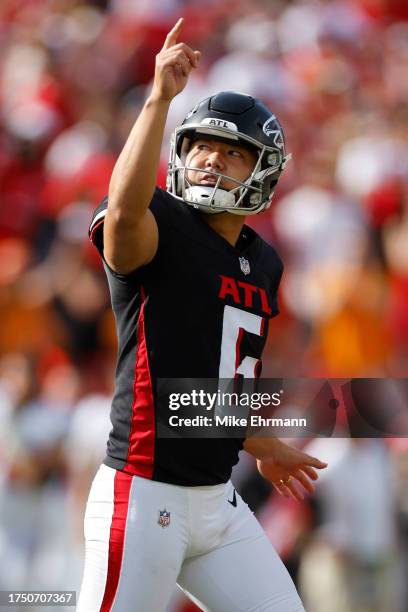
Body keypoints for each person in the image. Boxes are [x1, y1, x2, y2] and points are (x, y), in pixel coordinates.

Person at [78, 18, 327, 612]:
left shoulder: (262, 262)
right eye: (201, 147)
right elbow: (122, 213)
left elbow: (216, 378)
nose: (212, 161)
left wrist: (259, 442)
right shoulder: (157, 222)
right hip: (143, 493)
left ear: (262, 171)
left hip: (218, 503)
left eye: (232, 153)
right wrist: (159, 100)